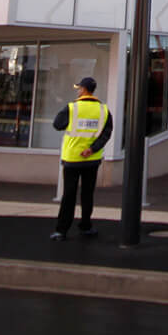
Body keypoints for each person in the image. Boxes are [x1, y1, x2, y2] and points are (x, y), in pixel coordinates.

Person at [51, 76, 112, 240]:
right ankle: (86, 226)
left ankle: (62, 230)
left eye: (79, 88)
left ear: (84, 90)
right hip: (92, 159)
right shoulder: (103, 110)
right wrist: (92, 149)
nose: (78, 91)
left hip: (72, 158)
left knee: (69, 195)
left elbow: (57, 124)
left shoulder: (72, 107)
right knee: (87, 194)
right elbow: (106, 134)